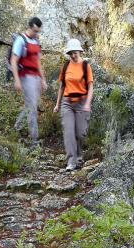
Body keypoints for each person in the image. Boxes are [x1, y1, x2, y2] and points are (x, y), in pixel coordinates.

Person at [53, 39, 94, 171]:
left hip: (82, 103)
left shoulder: (85, 66)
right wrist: (57, 104)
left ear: (80, 51)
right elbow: (61, 87)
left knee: (81, 133)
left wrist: (87, 103)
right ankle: (71, 161)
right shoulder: (65, 66)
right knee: (69, 131)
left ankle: (78, 155)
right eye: (70, 53)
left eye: (75, 53)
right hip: (67, 103)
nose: (73, 55)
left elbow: (90, 87)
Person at [11, 17, 48, 146]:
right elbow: (14, 61)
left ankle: (16, 127)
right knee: (32, 107)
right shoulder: (21, 40)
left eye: (38, 31)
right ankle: (34, 139)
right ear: (30, 27)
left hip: (36, 77)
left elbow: (38, 62)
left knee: (30, 105)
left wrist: (43, 79)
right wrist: (17, 80)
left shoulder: (36, 41)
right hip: (26, 76)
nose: (36, 33)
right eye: (35, 30)